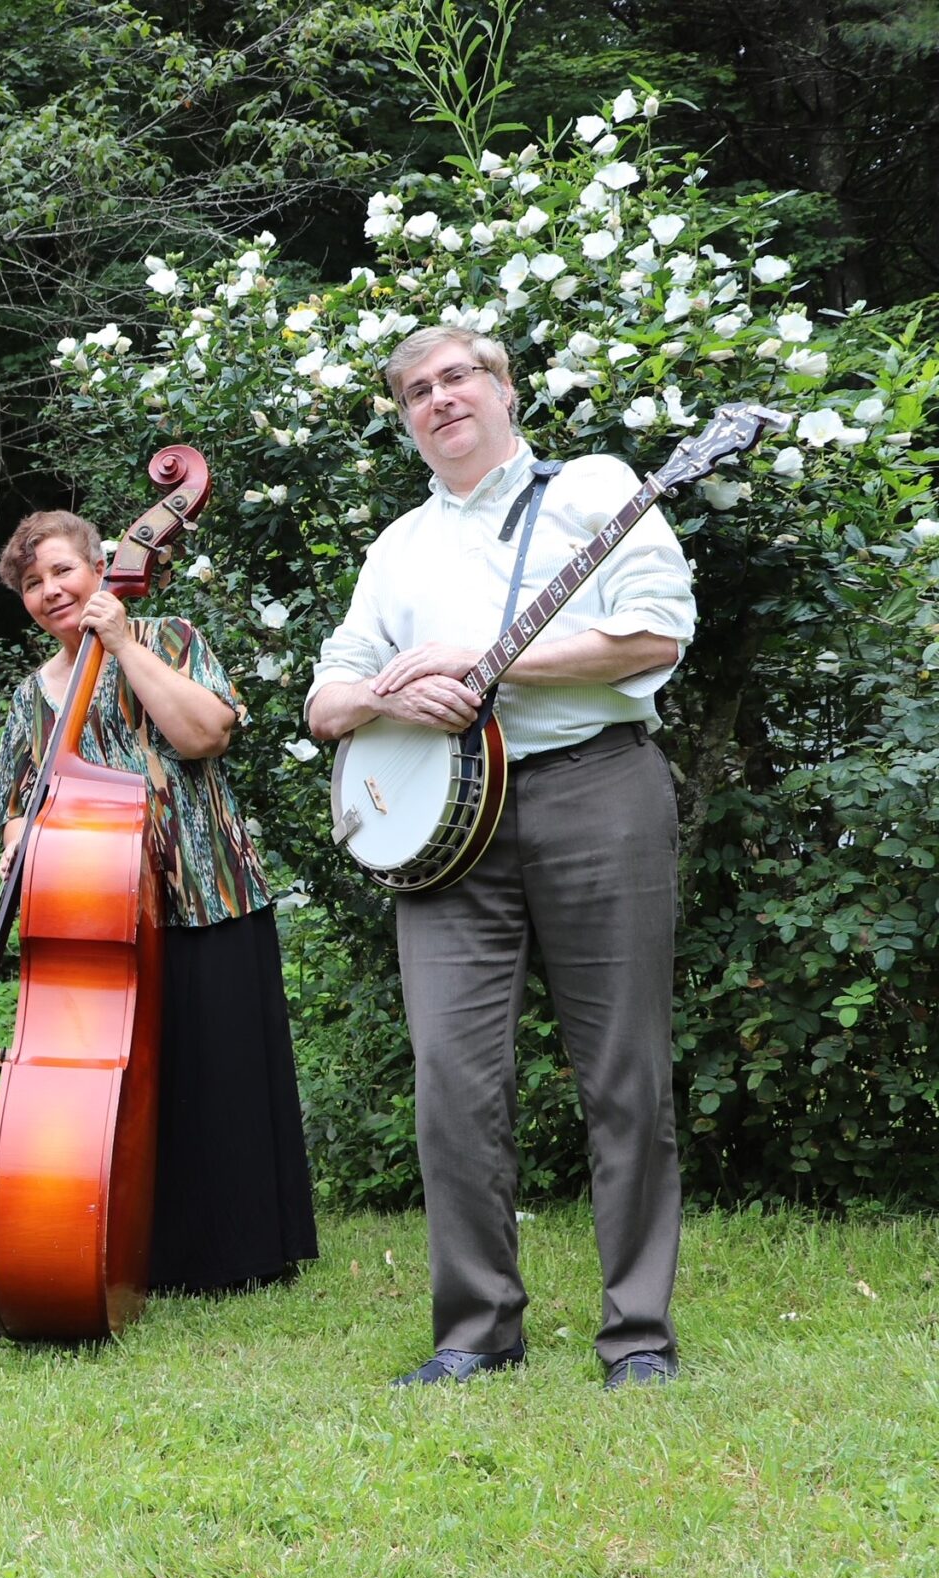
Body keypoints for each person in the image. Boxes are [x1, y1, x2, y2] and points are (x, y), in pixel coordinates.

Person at [307, 325, 695, 1390]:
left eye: (459, 376)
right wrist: (385, 691)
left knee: (624, 1074)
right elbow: (324, 696)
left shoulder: (595, 489)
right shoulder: (398, 548)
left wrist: (491, 666)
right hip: (444, 833)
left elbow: (656, 634)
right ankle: (475, 1333)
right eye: (417, 390)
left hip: (594, 792)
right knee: (450, 1083)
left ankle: (638, 1336)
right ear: (405, 421)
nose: (440, 398)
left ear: (505, 390)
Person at [0, 511, 318, 1292]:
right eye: (32, 583)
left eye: (62, 571)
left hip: (209, 889)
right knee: (134, 1090)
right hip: (102, 915)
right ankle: (148, 1253)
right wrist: (13, 844)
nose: (49, 591)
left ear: (104, 567)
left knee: (224, 1072)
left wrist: (123, 644)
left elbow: (205, 734)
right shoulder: (33, 696)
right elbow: (14, 804)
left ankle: (248, 1250)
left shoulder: (168, 637)